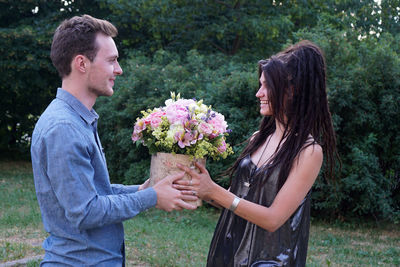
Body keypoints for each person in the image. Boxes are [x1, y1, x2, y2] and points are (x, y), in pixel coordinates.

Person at [30, 14, 197, 266]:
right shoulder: (63, 128)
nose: (118, 69)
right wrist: (151, 197)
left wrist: (143, 190)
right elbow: (85, 212)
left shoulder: (76, 119)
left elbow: (94, 192)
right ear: (81, 64)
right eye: (111, 61)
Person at [177, 40, 338, 266]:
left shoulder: (309, 152)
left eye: (266, 86)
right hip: (231, 251)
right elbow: (236, 199)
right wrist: (201, 190)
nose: (258, 93)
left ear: (291, 90)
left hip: (270, 260)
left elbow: (273, 219)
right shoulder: (258, 138)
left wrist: (214, 189)